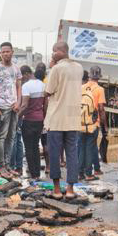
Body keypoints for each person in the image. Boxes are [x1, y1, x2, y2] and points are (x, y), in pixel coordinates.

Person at [44, 42, 84, 200]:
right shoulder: (79, 67)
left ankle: (56, 190)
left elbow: (47, 91)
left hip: (57, 117)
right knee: (72, 153)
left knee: (54, 153)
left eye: (54, 51)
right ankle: (70, 189)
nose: (53, 53)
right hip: (73, 116)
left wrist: (52, 67)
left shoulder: (56, 68)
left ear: (60, 51)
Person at [0, 42, 22, 175]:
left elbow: (19, 87)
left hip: (14, 107)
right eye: (3, 52)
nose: (5, 54)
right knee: (1, 136)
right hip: (2, 107)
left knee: (11, 137)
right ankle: (1, 166)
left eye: (7, 51)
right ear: (0, 53)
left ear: (12, 52)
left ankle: (8, 166)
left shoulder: (16, 68)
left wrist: (18, 102)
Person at [19, 65, 47, 179]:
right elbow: (45, 105)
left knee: (29, 147)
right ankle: (37, 173)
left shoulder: (26, 86)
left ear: (26, 74)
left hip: (29, 120)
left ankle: (34, 173)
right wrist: (44, 118)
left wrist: (17, 117)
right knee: (35, 146)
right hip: (40, 120)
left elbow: (24, 105)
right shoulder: (43, 85)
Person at [80, 67, 105, 181]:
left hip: (81, 123)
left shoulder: (82, 87)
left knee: (81, 148)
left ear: (89, 76)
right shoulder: (100, 89)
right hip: (94, 123)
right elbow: (101, 108)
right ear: (99, 77)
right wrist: (104, 123)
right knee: (90, 148)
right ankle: (89, 174)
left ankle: (80, 173)